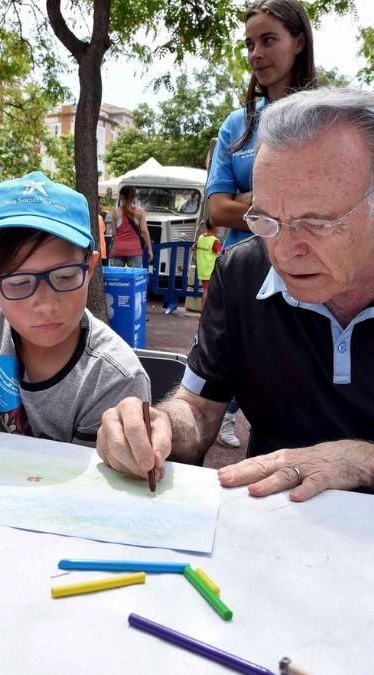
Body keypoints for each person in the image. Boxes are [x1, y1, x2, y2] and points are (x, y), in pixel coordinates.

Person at [97, 87, 374, 501]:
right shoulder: (243, 272)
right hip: (269, 529)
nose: (282, 251)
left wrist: (361, 460)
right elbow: (200, 409)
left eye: (316, 223)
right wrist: (160, 427)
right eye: (266, 219)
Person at [206, 0, 317, 447]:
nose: (256, 53)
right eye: (249, 44)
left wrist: (250, 201)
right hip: (244, 271)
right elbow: (217, 210)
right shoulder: (237, 127)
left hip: (308, 269)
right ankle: (226, 416)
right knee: (232, 365)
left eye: (268, 40)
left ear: (298, 42)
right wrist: (276, 203)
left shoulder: (326, 118)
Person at [0, 172, 151, 444]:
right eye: (20, 283)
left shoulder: (113, 379)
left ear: (91, 268)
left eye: (65, 277)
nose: (46, 304)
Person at [107, 184, 152, 269]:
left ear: (122, 196)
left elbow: (113, 233)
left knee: (117, 279)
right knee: (135, 279)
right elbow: (144, 231)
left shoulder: (116, 212)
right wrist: (149, 249)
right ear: (133, 196)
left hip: (118, 249)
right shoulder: (141, 212)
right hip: (134, 250)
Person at [194, 221, 223, 307]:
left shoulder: (201, 238)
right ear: (215, 227)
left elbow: (194, 247)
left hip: (202, 270)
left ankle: (204, 312)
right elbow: (220, 254)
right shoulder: (214, 241)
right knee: (207, 291)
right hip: (211, 270)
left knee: (206, 290)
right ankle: (203, 312)